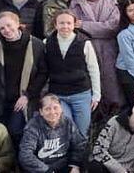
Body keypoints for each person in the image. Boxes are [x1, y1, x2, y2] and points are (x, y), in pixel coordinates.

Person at [27, 10, 102, 138]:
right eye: (61, 23)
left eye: (69, 23)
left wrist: (96, 95)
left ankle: (80, 157)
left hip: (81, 93)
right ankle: (65, 156)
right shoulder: (47, 43)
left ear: (74, 24)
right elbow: (43, 70)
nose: (65, 26)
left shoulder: (84, 43)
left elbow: (93, 69)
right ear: (55, 25)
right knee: (66, 129)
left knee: (82, 132)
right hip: (59, 95)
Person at [69, 0, 124, 115]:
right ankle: (94, 115)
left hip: (108, 48)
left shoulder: (110, 0)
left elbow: (112, 27)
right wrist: (99, 27)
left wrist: (86, 25)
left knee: (111, 81)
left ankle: (114, 112)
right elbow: (75, 27)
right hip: (87, 47)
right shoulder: (76, 3)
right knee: (92, 80)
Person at [0, 10, 43, 144]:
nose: (6, 30)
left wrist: (27, 95)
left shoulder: (35, 44)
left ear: (18, 23)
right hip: (0, 99)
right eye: (2, 28)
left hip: (21, 98)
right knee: (0, 135)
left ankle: (20, 162)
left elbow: (43, 73)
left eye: (9, 25)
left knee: (15, 131)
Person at [20, 94, 88, 173]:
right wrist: (47, 170)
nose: (52, 112)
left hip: (65, 165)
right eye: (47, 109)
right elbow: (25, 155)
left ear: (61, 109)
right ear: (41, 112)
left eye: (55, 108)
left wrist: (74, 165)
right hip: (42, 168)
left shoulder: (68, 123)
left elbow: (79, 145)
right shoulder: (33, 126)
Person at [90, 96, 134, 173]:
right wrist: (119, 170)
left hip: (130, 169)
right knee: (95, 165)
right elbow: (98, 149)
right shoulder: (114, 122)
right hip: (110, 166)